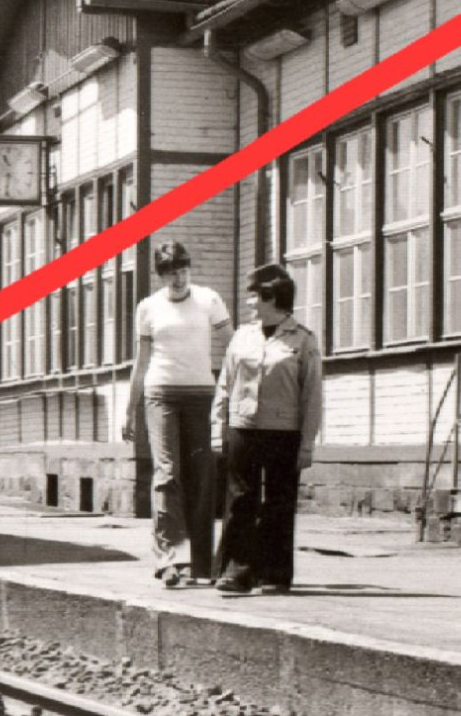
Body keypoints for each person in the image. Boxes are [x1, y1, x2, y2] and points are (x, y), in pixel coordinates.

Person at [124, 241, 232, 587]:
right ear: (161, 275)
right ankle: (170, 559)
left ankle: (201, 563)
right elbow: (141, 363)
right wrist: (130, 408)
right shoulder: (148, 308)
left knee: (202, 474)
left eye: (183, 270)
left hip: (200, 394)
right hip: (160, 394)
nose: (179, 278)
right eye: (171, 272)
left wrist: (231, 389)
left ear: (190, 269)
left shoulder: (209, 300)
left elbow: (233, 346)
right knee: (168, 472)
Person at [211, 264, 323, 595]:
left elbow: (312, 395)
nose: (249, 303)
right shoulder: (242, 337)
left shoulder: (303, 340)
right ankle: (237, 571)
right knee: (240, 499)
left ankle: (274, 574)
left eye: (254, 296)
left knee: (278, 501)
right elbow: (225, 384)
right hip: (243, 427)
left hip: (284, 432)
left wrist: (307, 444)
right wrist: (218, 428)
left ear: (272, 298)